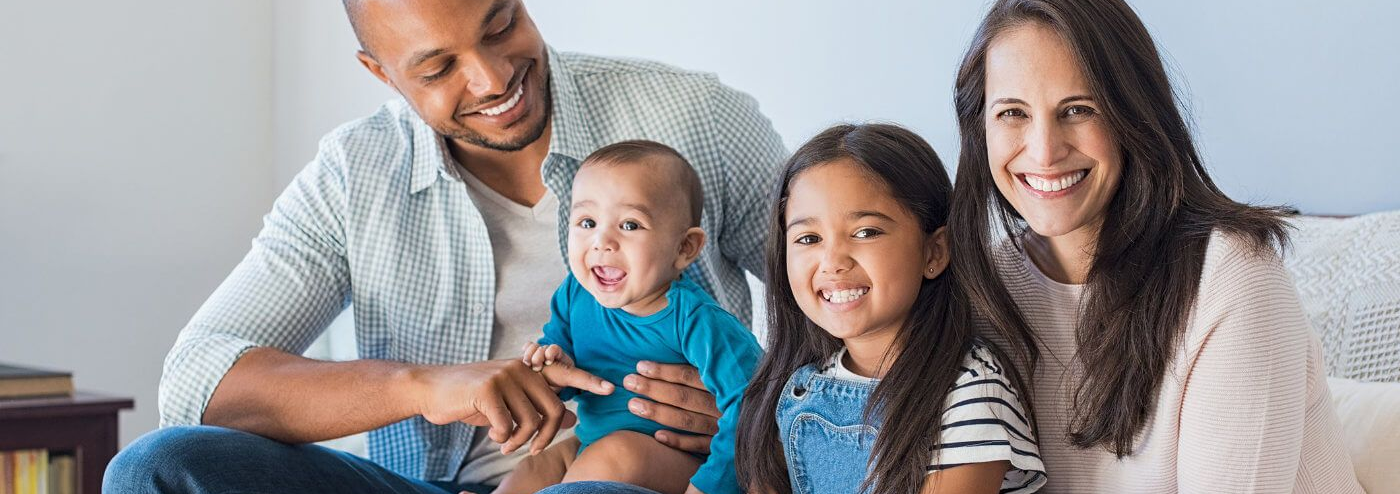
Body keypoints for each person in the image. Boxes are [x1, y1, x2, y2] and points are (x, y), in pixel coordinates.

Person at [103, 0, 786, 492]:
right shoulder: (355, 175)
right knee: (153, 467)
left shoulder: (692, 119)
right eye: (438, 68)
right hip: (433, 484)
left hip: (642, 473)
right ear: (381, 73)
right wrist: (423, 386)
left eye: (501, 25)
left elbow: (850, 312)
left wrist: (759, 414)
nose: (493, 80)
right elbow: (197, 380)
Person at [947, 0, 1365, 491]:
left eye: (1079, 109)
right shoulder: (986, 290)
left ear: (1134, 114)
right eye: (1012, 113)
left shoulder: (1231, 277)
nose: (1043, 150)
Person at [736, 124, 1046, 494]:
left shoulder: (968, 391)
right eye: (809, 238)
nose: (832, 261)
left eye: (866, 232)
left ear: (933, 252)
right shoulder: (797, 388)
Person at [495, 141, 761, 494]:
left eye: (631, 225)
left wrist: (710, 487)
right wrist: (551, 369)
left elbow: (752, 407)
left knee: (612, 456)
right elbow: (563, 362)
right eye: (587, 222)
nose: (602, 241)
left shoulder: (698, 321)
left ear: (684, 249)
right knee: (534, 467)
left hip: (681, 462)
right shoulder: (575, 294)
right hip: (590, 443)